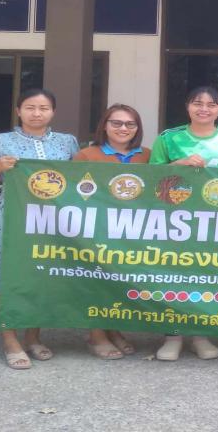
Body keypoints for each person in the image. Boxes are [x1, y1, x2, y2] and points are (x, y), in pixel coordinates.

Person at [0, 89, 79, 370]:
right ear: (18, 111)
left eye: (44, 108)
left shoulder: (67, 142)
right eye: (30, 107)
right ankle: (9, 339)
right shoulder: (1, 140)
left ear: (53, 112)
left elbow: (78, 177)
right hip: (13, 215)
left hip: (52, 219)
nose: (37, 113)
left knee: (41, 274)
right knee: (6, 273)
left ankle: (33, 336)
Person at [151, 86, 218, 361]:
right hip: (173, 219)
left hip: (216, 221)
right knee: (171, 275)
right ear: (187, 106)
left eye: (211, 104)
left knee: (205, 276)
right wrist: (180, 163)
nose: (204, 109)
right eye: (197, 103)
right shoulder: (168, 138)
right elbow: (150, 176)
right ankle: (172, 335)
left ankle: (200, 335)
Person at [73, 103, 150, 360]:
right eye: (116, 123)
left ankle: (113, 330)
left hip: (133, 231)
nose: (123, 128)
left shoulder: (146, 155)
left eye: (130, 124)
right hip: (97, 230)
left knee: (119, 282)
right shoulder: (86, 155)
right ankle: (95, 335)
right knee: (96, 280)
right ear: (104, 126)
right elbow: (73, 193)